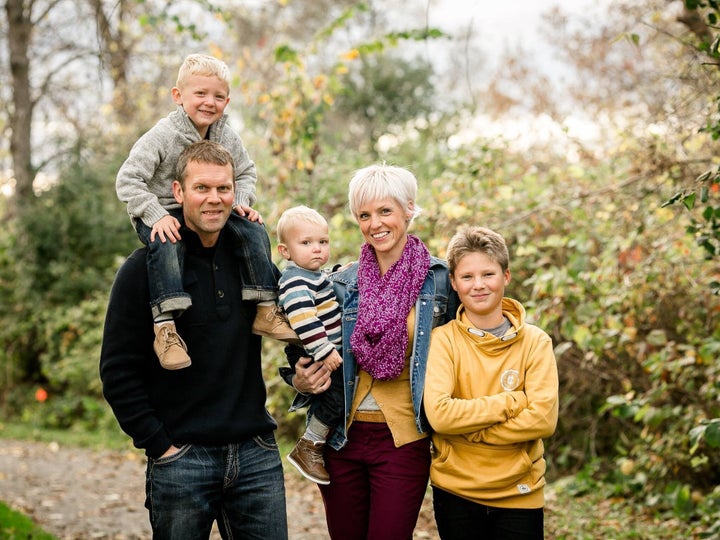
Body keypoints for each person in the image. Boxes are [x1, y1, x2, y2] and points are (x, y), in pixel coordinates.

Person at [100, 140, 288, 540]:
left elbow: (294, 322)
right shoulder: (143, 269)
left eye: (224, 188)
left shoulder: (252, 262)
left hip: (256, 453)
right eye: (202, 188)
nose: (215, 199)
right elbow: (117, 371)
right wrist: (160, 445)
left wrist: (302, 371)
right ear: (178, 192)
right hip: (182, 458)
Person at [284, 164, 459, 540]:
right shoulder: (340, 282)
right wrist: (299, 378)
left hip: (404, 440)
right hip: (341, 438)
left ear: (409, 209)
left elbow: (465, 350)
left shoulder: (441, 280)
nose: (375, 223)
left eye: (385, 211)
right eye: (364, 215)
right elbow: (304, 341)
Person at [116, 53, 295, 371]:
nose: (209, 102)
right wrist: (155, 214)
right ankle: (166, 328)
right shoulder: (163, 136)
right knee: (169, 243)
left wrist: (241, 201)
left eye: (218, 96)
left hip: (206, 209)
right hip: (157, 209)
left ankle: (266, 310)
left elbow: (246, 172)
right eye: (200, 93)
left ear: (227, 100)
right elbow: (128, 180)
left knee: (253, 228)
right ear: (178, 96)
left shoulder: (226, 134)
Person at [423, 226, 559, 540]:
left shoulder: (535, 343)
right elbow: (440, 415)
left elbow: (542, 420)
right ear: (454, 283)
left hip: (520, 491)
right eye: (467, 277)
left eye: (488, 274)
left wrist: (468, 429)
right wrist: (512, 402)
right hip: (456, 490)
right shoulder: (442, 341)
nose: (479, 285)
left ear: (506, 276)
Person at [275, 205, 343, 485]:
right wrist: (325, 351)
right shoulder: (294, 280)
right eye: (306, 243)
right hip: (313, 349)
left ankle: (314, 444)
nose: (317, 249)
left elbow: (325, 286)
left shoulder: (312, 275)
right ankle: (310, 445)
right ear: (285, 251)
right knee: (336, 397)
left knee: (334, 396)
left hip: (319, 349)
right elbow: (304, 320)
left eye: (322, 242)